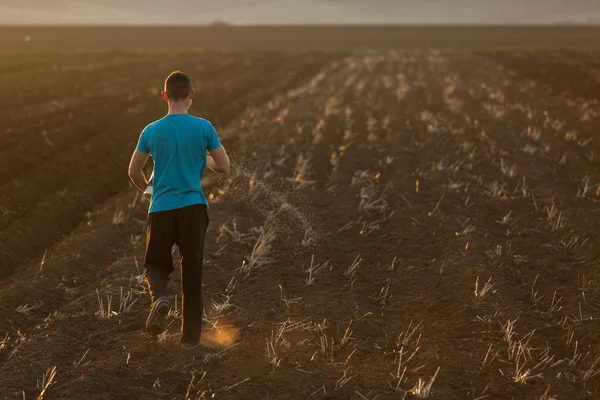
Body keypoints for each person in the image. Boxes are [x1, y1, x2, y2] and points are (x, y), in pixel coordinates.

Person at [128, 71, 230, 348]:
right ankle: (190, 339)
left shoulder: (151, 130)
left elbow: (133, 170)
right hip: (193, 210)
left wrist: (148, 191)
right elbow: (224, 166)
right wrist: (202, 156)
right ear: (191, 96)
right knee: (192, 272)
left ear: (164, 96)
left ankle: (160, 298)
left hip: (160, 209)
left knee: (155, 263)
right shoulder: (203, 127)